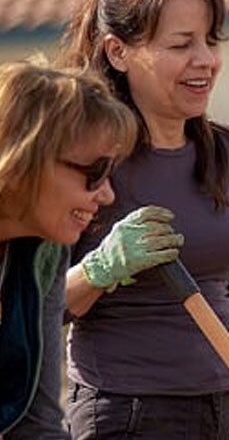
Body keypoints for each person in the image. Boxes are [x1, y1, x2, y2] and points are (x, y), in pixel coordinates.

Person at [57, 0, 229, 440]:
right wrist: (101, 268)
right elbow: (36, 306)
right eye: (181, 45)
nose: (205, 61)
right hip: (129, 413)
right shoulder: (82, 157)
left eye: (211, 41)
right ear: (118, 52)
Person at [0, 62, 160, 440]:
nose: (108, 195)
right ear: (25, 158)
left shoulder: (45, 251)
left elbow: (36, 425)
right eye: (96, 171)